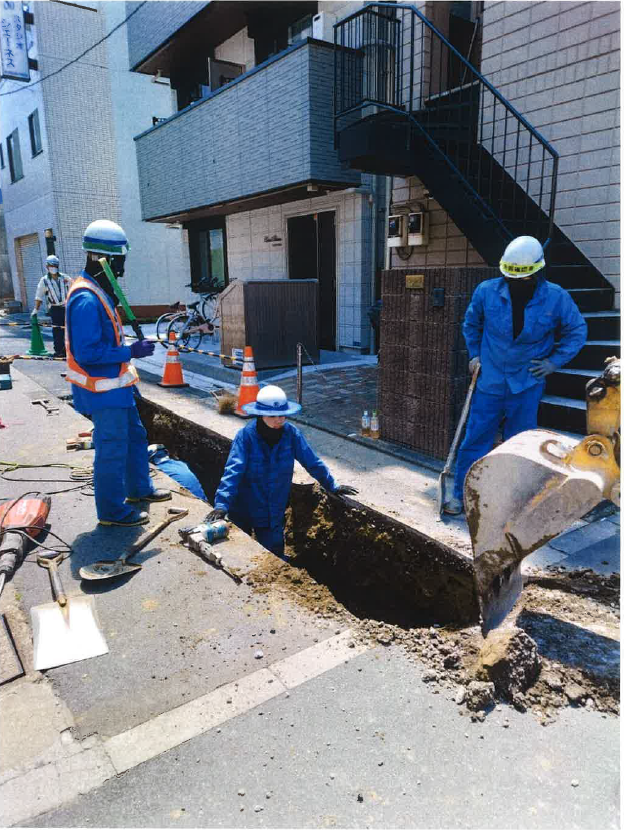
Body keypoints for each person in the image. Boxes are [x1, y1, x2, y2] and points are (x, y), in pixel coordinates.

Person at [444, 235, 587, 515]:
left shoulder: (556, 297)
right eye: (511, 277)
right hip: (490, 380)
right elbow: (471, 324)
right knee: (475, 440)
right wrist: (474, 355)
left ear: (537, 271)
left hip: (527, 383)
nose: (516, 282)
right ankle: (461, 495)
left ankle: (512, 503)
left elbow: (577, 331)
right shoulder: (487, 291)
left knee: (520, 445)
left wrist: (553, 362)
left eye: (523, 278)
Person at [64, 219, 170, 526]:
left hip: (117, 387)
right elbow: (88, 353)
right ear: (104, 260)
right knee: (111, 450)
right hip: (101, 391)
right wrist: (130, 352)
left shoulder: (98, 290)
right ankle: (112, 512)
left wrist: (127, 358)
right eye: (119, 261)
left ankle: (139, 489)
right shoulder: (86, 298)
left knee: (136, 437)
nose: (122, 268)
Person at [205, 385, 358, 558]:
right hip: (244, 506)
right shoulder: (246, 436)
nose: (279, 420)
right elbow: (233, 471)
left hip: (274, 508)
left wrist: (332, 485)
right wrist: (221, 505)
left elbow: (312, 462)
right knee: (241, 553)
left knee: (274, 553)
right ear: (261, 414)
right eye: (273, 416)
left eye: (282, 415)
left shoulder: (291, 434)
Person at [32, 255, 73, 358]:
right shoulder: (44, 280)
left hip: (66, 307)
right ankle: (59, 351)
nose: (53, 267)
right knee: (57, 331)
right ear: (47, 266)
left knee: (69, 330)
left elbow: (73, 287)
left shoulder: (65, 278)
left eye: (55, 265)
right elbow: (39, 296)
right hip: (55, 309)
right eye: (51, 265)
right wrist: (36, 309)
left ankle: (70, 350)